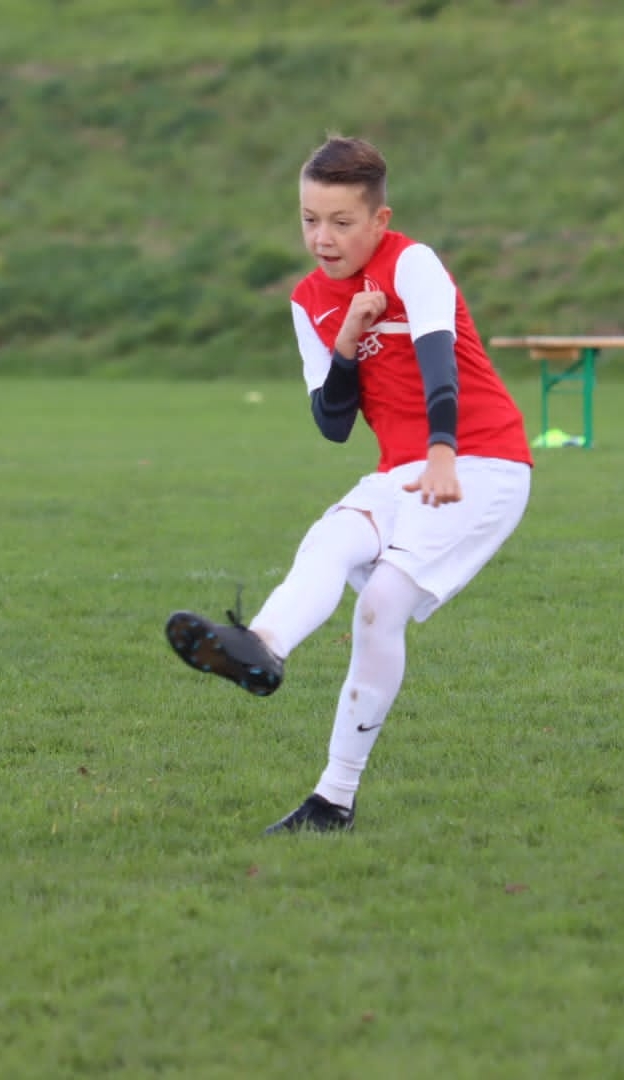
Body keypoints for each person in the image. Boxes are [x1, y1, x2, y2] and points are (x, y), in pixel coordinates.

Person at [164, 135, 533, 834]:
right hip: (402, 470)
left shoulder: (413, 263)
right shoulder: (309, 300)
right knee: (331, 538)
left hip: (481, 462)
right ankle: (261, 647)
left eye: (340, 222)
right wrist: (345, 344)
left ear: (379, 220)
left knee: (381, 604)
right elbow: (332, 423)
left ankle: (334, 796)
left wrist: (444, 450)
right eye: (309, 220)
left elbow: (439, 362)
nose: (322, 239)